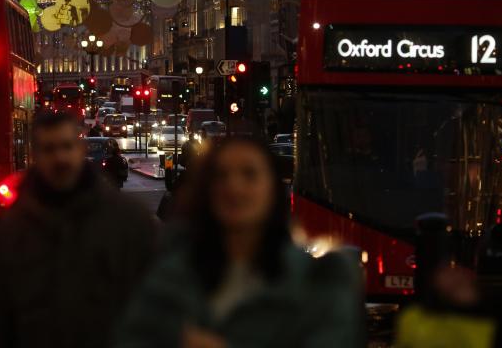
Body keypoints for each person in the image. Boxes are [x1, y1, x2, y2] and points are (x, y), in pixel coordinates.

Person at [117, 136, 364, 348]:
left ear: (273, 188)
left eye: (249, 174)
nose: (234, 187)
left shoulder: (318, 280)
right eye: (221, 176)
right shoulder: (166, 273)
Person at [0, 111, 156, 348]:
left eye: (66, 146)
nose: (59, 157)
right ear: (35, 156)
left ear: (80, 150)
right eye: (49, 149)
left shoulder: (129, 219)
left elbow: (155, 306)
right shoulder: (13, 229)